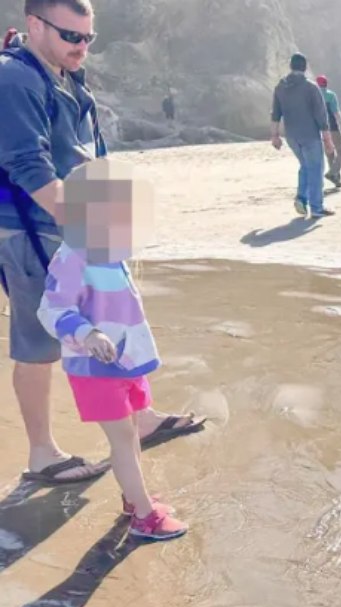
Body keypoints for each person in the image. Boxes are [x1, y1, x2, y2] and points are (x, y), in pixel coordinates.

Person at [1, 0, 204, 485]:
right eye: (72, 36)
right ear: (34, 25)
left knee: (117, 314)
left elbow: (90, 156)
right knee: (38, 341)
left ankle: (143, 416)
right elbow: (29, 166)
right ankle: (42, 454)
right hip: (33, 230)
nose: (82, 47)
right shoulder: (15, 78)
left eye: (88, 37)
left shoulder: (66, 77)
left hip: (78, 224)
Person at [37, 158, 188, 539]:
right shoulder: (73, 256)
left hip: (125, 362)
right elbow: (52, 307)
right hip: (96, 368)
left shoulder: (111, 252)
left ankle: (133, 498)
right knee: (122, 438)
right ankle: (143, 516)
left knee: (132, 431)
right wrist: (87, 334)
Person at [270, 52, 336, 218]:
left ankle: (301, 198)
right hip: (310, 135)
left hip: (291, 136)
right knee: (315, 169)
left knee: (305, 166)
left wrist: (275, 135)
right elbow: (321, 117)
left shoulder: (280, 87)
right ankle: (316, 207)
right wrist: (328, 141)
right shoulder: (310, 88)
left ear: (291, 66)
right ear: (305, 68)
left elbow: (275, 113)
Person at [316, 74, 341, 188]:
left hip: (319, 130)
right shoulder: (330, 95)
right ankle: (332, 173)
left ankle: (336, 179)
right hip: (332, 128)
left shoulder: (313, 96)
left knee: (330, 154)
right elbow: (336, 113)